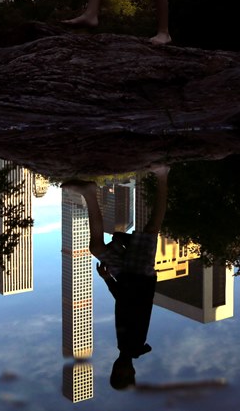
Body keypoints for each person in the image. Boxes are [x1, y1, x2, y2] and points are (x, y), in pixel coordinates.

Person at [62, 165, 169, 390]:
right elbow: (129, 304)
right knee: (151, 229)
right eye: (122, 374)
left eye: (115, 373)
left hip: (126, 279)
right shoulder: (132, 347)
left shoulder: (125, 347)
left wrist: (109, 279)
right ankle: (162, 175)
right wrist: (109, 280)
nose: (117, 369)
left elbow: (123, 304)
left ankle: (90, 193)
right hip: (139, 277)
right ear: (130, 372)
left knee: (97, 247)